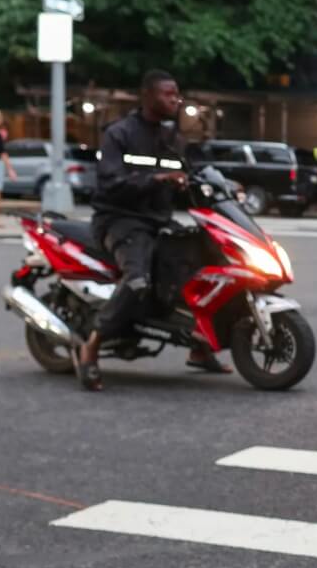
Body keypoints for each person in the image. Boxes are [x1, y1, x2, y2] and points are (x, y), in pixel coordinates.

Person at [73, 70, 229, 389]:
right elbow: (110, 181)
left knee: (207, 263)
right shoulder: (120, 134)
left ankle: (199, 348)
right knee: (138, 279)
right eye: (168, 94)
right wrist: (157, 180)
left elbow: (189, 175)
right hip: (119, 219)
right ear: (147, 96)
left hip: (158, 220)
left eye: (177, 94)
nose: (175, 99)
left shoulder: (172, 138)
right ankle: (91, 347)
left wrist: (223, 186)